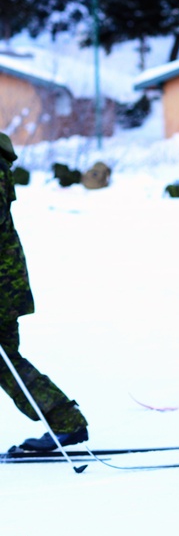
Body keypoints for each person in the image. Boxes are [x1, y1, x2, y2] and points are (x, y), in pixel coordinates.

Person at [1, 131, 90, 452]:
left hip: (2, 285)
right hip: (6, 282)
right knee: (5, 360)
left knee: (5, 361)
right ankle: (66, 420)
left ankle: (66, 421)